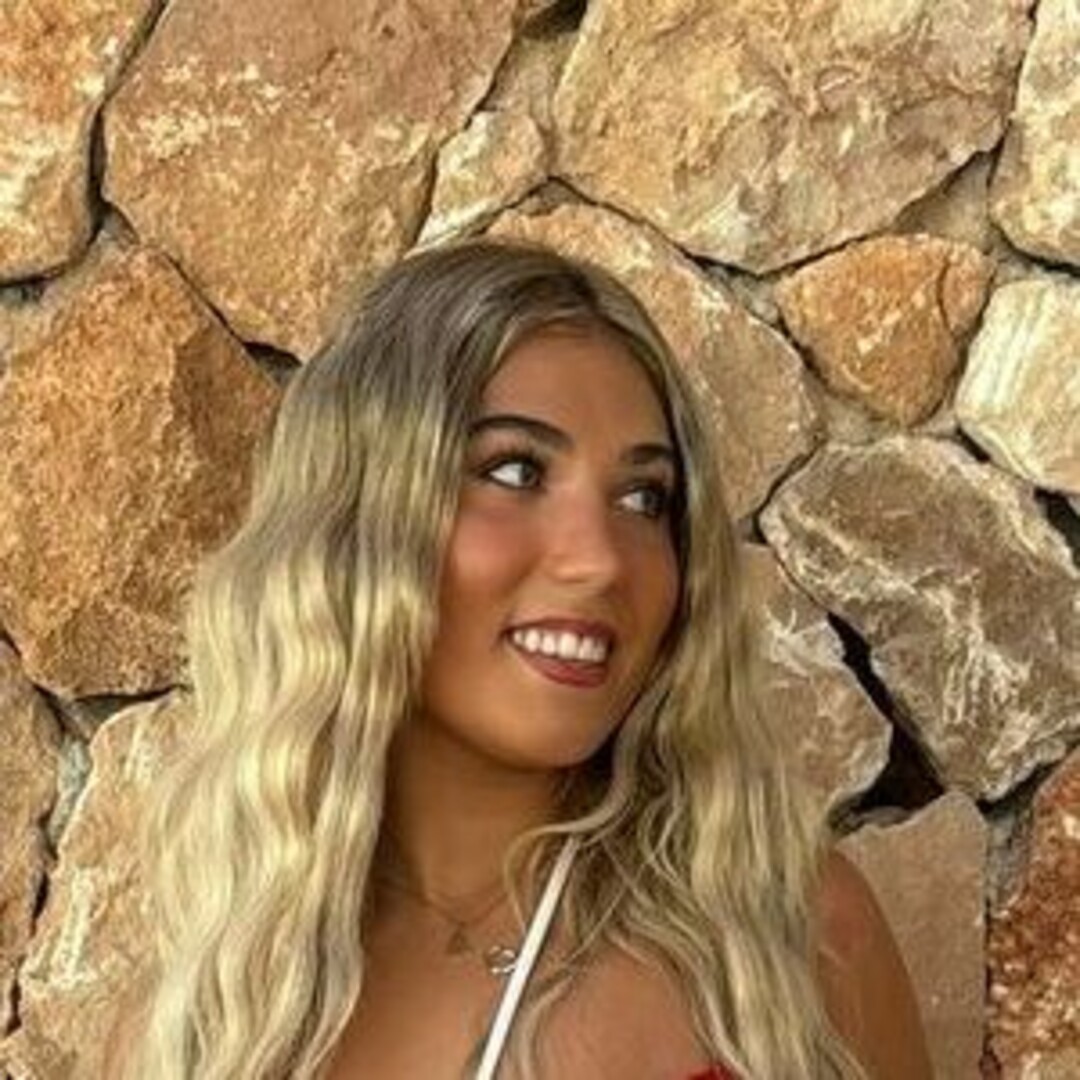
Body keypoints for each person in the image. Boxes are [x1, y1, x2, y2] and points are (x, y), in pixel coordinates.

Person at [116, 240, 931, 1079]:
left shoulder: (792, 943)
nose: (601, 559)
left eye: (644, 498)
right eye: (515, 471)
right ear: (358, 527)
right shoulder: (207, 1026)